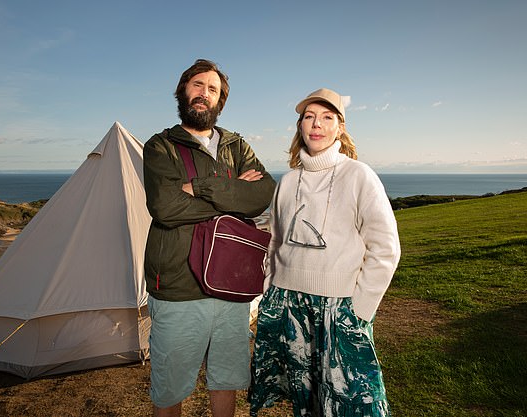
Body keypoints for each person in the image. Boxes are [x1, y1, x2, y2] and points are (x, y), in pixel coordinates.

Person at [248, 88, 401, 416]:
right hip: (289, 305)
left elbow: (386, 248)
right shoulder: (288, 182)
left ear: (340, 128)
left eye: (327, 117)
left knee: (353, 405)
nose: (317, 124)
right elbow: (275, 241)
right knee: (306, 403)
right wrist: (269, 289)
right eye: (309, 117)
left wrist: (361, 308)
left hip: (340, 307)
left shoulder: (359, 176)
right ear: (301, 126)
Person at [142, 59, 276, 417]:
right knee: (170, 388)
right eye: (197, 85)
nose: (204, 93)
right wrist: (230, 195)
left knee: (226, 379)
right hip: (177, 287)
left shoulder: (236, 146)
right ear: (183, 92)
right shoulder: (161, 146)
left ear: (220, 101)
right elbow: (165, 207)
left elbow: (262, 195)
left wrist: (198, 188)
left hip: (231, 284)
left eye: (212, 89)